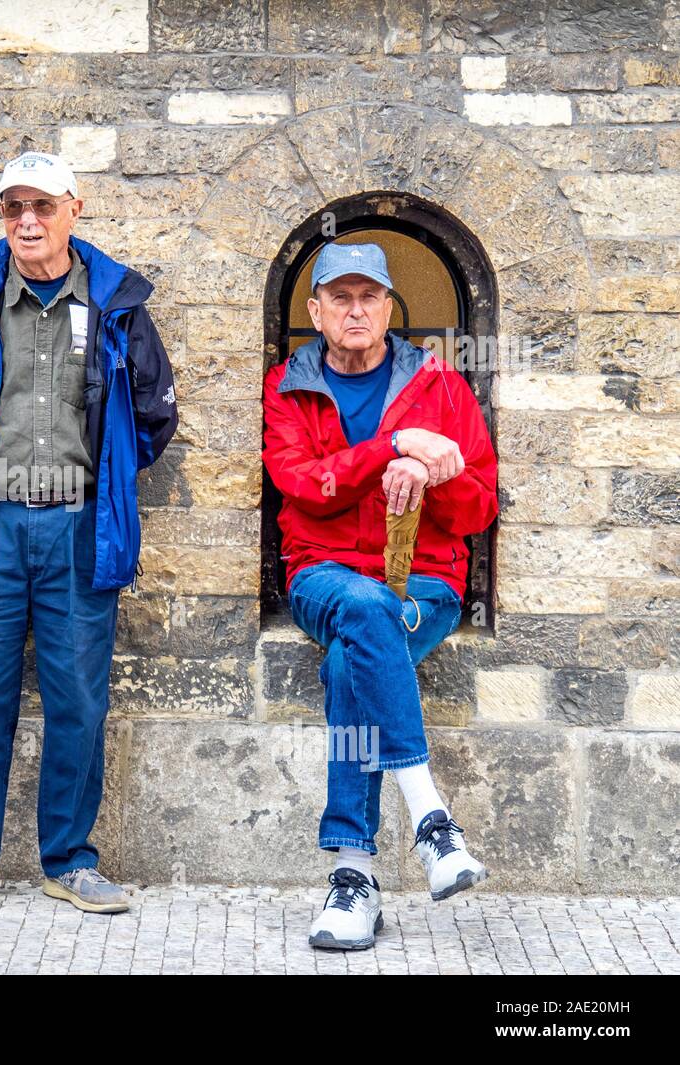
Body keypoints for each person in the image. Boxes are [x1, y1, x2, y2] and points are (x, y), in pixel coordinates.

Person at [0, 151, 178, 915]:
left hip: (78, 526)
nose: (27, 221)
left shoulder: (117, 303)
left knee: (78, 701)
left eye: (42, 206)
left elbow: (154, 415)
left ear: (74, 209)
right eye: (12, 208)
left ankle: (69, 858)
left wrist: (105, 473)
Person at [261, 241, 498, 951]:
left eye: (369, 297)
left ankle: (353, 872)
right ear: (316, 311)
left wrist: (432, 477)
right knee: (364, 608)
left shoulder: (442, 386)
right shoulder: (288, 386)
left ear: (389, 307)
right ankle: (432, 820)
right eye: (340, 297)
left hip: (424, 585)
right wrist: (392, 446)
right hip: (324, 575)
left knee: (347, 664)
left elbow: (479, 507)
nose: (355, 309)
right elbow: (304, 483)